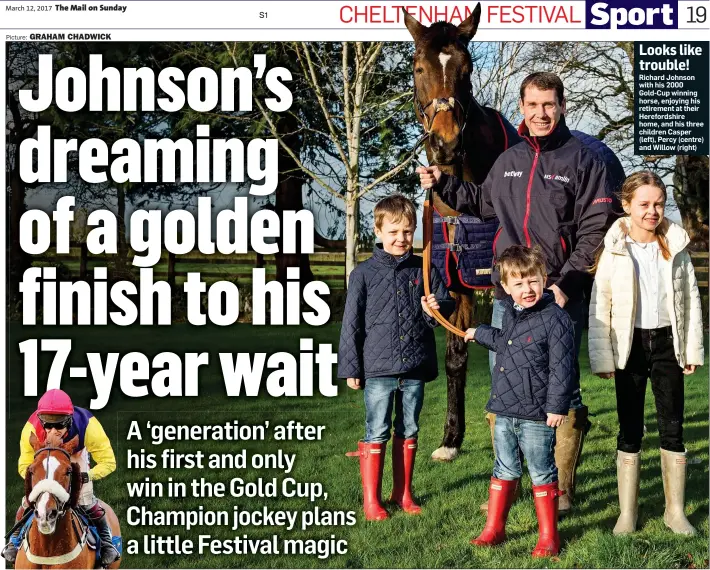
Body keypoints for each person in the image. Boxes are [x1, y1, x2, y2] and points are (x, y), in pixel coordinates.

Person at [418, 71, 617, 513]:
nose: (541, 113)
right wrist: (442, 183)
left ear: (562, 106)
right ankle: (512, 479)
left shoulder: (584, 160)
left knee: (560, 390)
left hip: (557, 297)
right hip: (509, 297)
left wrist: (566, 285)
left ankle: (560, 490)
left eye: (549, 105)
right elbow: (483, 202)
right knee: (507, 387)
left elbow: (595, 231)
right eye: (532, 105)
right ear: (522, 107)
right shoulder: (509, 159)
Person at [588, 171, 704, 536]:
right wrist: (604, 358)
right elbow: (600, 303)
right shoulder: (615, 250)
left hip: (669, 345)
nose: (652, 211)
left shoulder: (676, 246)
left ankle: (675, 512)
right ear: (627, 205)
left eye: (658, 203)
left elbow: (691, 300)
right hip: (630, 348)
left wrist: (691, 348)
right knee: (630, 429)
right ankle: (628, 513)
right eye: (644, 204)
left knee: (673, 427)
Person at [338, 194, 455, 520]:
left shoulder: (424, 267)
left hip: (415, 364)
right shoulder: (363, 275)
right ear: (379, 231)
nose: (401, 239)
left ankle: (403, 493)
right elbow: (351, 324)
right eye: (394, 232)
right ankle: (371, 501)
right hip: (378, 367)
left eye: (407, 231)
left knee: (410, 428)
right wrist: (351, 366)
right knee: (377, 430)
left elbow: (443, 310)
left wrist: (434, 309)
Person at [464, 245, 576, 557]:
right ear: (505, 288)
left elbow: (562, 366)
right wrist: (479, 333)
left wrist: (556, 406)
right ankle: (494, 529)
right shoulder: (512, 315)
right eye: (519, 284)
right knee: (504, 467)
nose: (527, 289)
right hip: (504, 409)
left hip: (538, 414)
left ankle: (548, 537)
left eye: (533, 281)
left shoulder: (556, 320)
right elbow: (505, 343)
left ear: (544, 279)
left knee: (541, 471)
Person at [2, 389, 121, 565]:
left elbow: (109, 462)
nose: (53, 430)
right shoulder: (31, 429)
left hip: (75, 457)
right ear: (41, 420)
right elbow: (24, 464)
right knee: (28, 503)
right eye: (48, 425)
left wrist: (86, 476)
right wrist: (39, 480)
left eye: (59, 425)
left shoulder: (88, 425)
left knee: (86, 501)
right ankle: (14, 541)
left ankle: (107, 543)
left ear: (70, 419)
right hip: (44, 461)